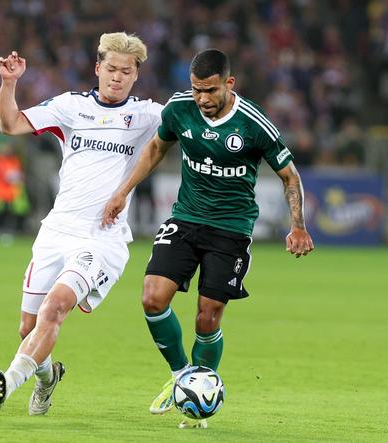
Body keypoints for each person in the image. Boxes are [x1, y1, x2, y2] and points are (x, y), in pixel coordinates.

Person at [101, 49, 314, 429]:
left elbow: (289, 175)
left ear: (229, 84)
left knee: (207, 316)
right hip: (186, 219)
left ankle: (199, 394)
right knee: (152, 297)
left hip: (231, 229)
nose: (202, 99)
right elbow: (155, 148)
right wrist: (122, 192)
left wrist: (297, 224)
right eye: (197, 89)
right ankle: (184, 378)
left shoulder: (253, 124)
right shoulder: (180, 109)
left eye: (210, 90)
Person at [0, 32, 163, 417]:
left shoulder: (149, 116)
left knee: (56, 308)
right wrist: (9, 83)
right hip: (57, 230)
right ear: (98, 68)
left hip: (101, 239)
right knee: (27, 328)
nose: (116, 77)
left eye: (125, 72)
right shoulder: (69, 107)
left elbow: (195, 122)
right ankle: (48, 379)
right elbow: (11, 124)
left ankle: (8, 382)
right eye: (111, 69)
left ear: (136, 77)